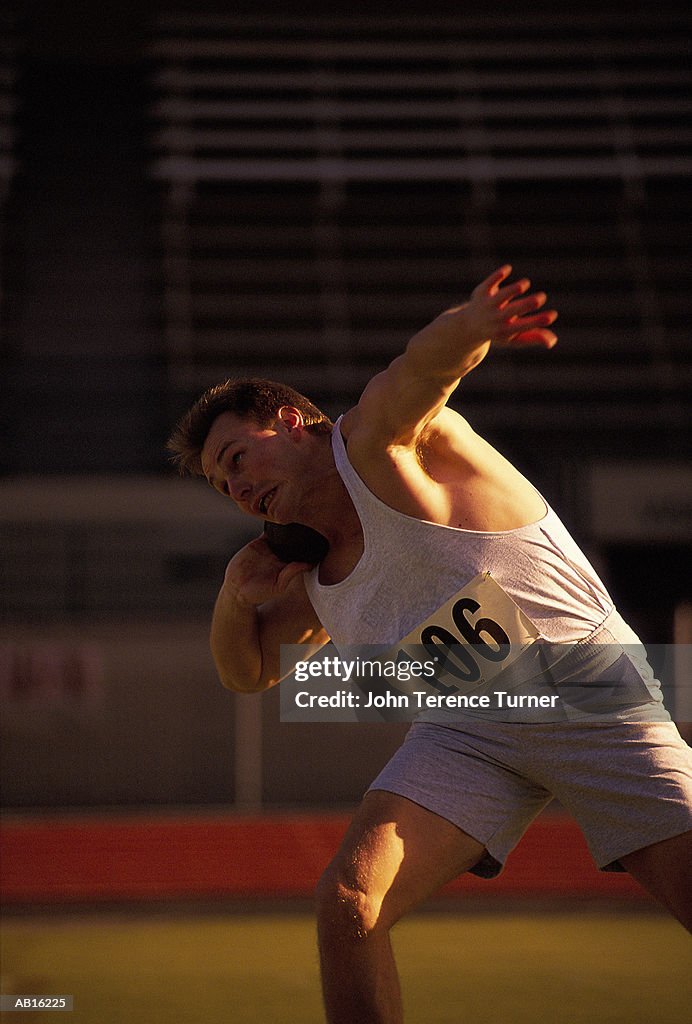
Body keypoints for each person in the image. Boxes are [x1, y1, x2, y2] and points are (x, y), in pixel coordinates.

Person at [167, 266, 692, 1024]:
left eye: (237, 460)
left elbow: (423, 368)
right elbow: (245, 674)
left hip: (585, 690)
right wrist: (231, 593)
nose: (238, 490)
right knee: (349, 898)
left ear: (287, 420)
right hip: (468, 735)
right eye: (223, 487)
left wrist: (476, 322)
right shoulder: (308, 570)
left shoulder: (380, 443)